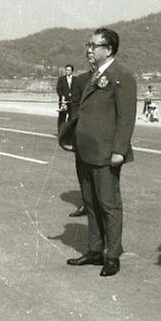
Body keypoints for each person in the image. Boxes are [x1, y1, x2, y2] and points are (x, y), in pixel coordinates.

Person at [65, 28, 136, 277]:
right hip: (86, 151)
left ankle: (112, 255)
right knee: (91, 202)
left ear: (109, 49)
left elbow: (126, 117)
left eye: (94, 45)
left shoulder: (121, 75)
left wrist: (119, 150)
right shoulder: (95, 75)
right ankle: (95, 250)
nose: (89, 49)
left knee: (109, 205)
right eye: (88, 44)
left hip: (106, 153)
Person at [59, 67, 93, 217]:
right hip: (83, 132)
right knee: (82, 170)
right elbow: (75, 104)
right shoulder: (81, 79)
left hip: (103, 135)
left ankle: (98, 206)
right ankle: (87, 204)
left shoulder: (113, 76)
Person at [56, 65, 75, 134]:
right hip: (63, 100)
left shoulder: (75, 79)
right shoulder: (61, 79)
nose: (67, 71)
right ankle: (60, 132)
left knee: (71, 117)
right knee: (62, 117)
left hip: (72, 101)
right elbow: (58, 89)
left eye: (69, 70)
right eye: (66, 70)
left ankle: (68, 133)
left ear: (72, 71)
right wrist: (62, 96)